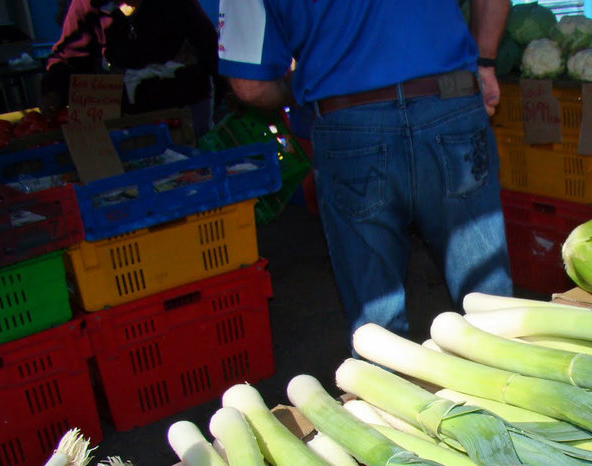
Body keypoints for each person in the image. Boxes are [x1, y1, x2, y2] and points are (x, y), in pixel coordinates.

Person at [216, 0, 514, 343]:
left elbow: (249, 85)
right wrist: (486, 63)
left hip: (349, 124)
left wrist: (307, 85)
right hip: (450, 105)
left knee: (377, 320)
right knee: (490, 304)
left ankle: (387, 384)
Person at [40, 0, 219, 136]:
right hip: (127, 114)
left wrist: (228, 90)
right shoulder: (87, 5)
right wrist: (54, 89)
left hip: (185, 105)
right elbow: (69, 54)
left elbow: (207, 44)